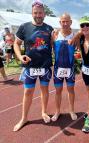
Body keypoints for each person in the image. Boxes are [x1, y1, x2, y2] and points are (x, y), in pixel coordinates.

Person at [13, 0, 53, 131]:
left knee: (44, 91)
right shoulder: (24, 27)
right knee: (28, 92)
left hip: (45, 67)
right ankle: (24, 118)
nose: (38, 15)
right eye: (35, 12)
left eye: (40, 13)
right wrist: (20, 57)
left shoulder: (49, 29)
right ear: (32, 13)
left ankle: (44, 112)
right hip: (30, 67)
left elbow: (55, 45)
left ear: (44, 14)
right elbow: (16, 44)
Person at [51, 13, 77, 122]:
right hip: (58, 69)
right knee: (58, 91)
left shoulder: (74, 35)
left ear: (71, 22)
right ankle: (57, 111)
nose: (65, 23)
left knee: (71, 90)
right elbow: (51, 49)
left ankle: (71, 110)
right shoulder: (55, 35)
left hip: (70, 69)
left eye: (67, 21)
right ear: (60, 22)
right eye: (63, 21)